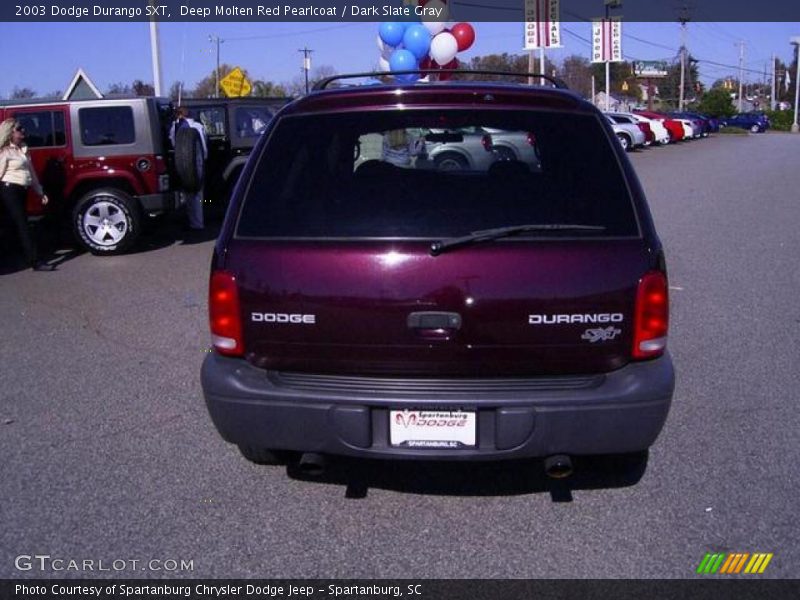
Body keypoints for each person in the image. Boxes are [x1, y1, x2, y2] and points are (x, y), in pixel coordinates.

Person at [0, 118, 52, 271]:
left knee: (12, 225)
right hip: (9, 189)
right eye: (19, 129)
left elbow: (31, 173)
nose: (23, 131)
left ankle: (13, 257)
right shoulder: (4, 151)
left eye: (22, 128)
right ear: (10, 133)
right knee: (23, 225)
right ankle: (35, 261)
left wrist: (40, 192)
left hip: (22, 189)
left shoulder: (23, 149)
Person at [169, 107, 208, 231]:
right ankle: (197, 222)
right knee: (196, 194)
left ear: (180, 115)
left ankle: (195, 223)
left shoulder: (177, 127)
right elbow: (204, 145)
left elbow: (173, 143)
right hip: (197, 162)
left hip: (185, 162)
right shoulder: (198, 126)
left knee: (190, 194)